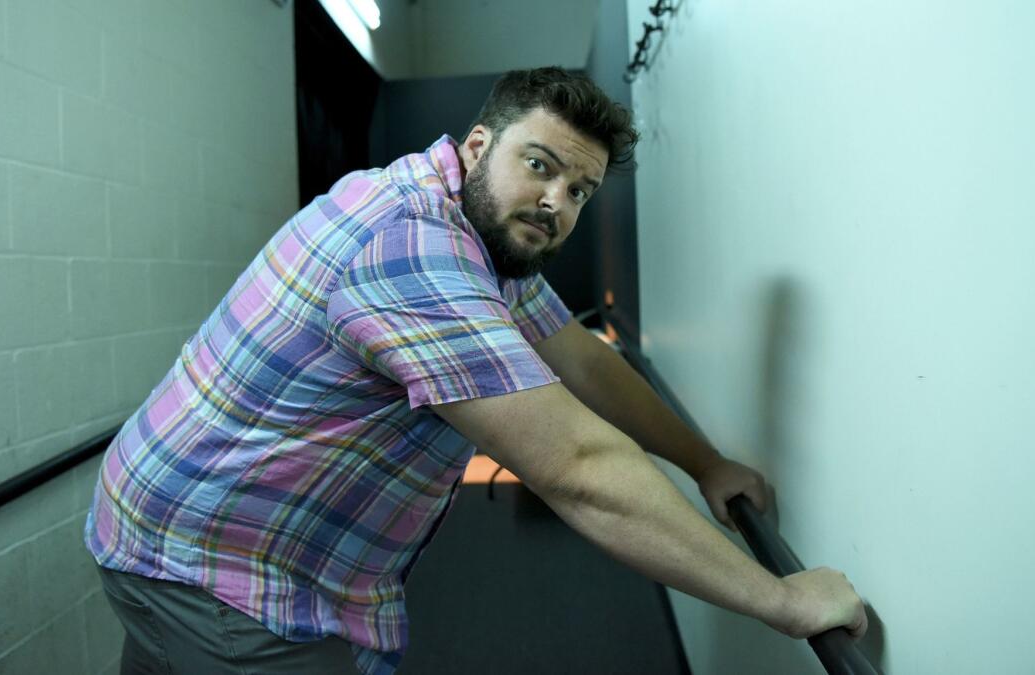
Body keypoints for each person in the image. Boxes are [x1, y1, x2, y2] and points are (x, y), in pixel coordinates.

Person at [84, 67, 867, 675]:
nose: (556, 200)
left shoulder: (481, 230)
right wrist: (781, 598)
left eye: (578, 189)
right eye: (541, 164)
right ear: (478, 147)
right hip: (212, 569)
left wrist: (706, 462)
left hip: (163, 519)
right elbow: (577, 468)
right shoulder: (412, 249)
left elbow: (580, 362)